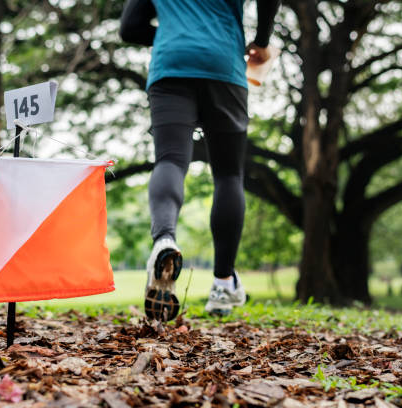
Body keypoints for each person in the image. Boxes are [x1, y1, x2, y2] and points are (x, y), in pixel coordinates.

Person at [120, 0, 281, 321]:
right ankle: (223, 282)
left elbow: (129, 29)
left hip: (171, 66)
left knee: (170, 161)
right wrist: (262, 41)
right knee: (228, 176)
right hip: (224, 65)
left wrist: (172, 34)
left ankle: (164, 239)